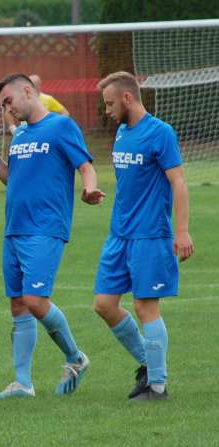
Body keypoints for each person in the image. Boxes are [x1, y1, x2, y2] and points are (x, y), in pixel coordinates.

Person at [0, 73, 105, 399]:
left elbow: (86, 165)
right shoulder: (20, 135)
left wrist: (90, 188)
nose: (7, 107)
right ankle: (22, 383)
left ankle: (75, 357)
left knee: (36, 301)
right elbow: (12, 177)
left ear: (27, 91)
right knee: (19, 304)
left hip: (45, 227)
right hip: (14, 228)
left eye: (8, 100)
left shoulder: (61, 126)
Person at [92, 71, 194, 401]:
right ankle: (147, 364)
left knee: (144, 306)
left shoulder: (160, 132)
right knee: (104, 305)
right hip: (119, 235)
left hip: (150, 235)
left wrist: (181, 232)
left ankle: (158, 386)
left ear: (127, 98)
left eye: (109, 103)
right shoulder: (122, 132)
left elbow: (178, 182)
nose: (107, 111)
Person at [4, 74, 69, 134]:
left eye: (33, 84)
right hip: (26, 132)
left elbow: (65, 113)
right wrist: (12, 128)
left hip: (43, 133)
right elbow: (8, 111)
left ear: (39, 85)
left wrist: (55, 126)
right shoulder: (22, 99)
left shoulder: (48, 99)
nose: (30, 86)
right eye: (28, 83)